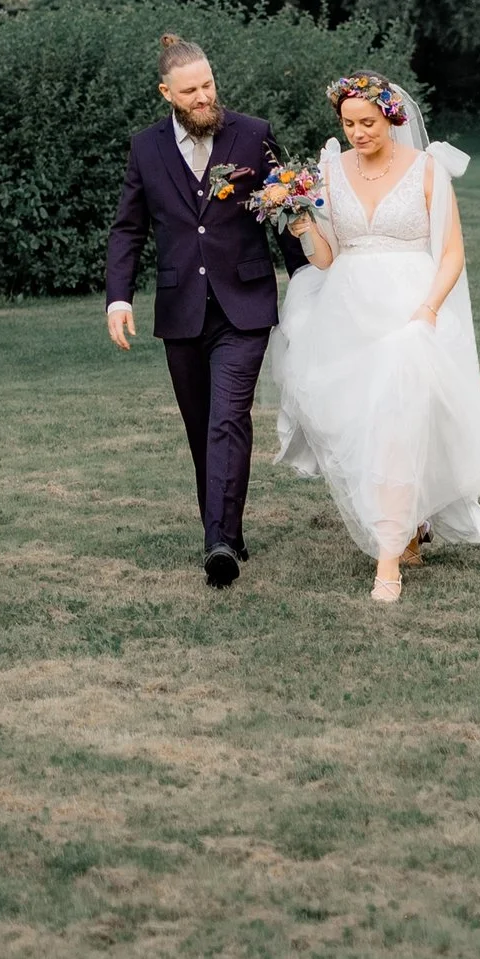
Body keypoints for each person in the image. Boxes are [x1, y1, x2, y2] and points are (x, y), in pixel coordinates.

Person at [271, 70, 480, 603]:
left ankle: (387, 560)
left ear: (391, 117)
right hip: (347, 315)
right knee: (364, 427)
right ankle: (406, 527)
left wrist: (428, 310)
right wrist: (304, 228)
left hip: (409, 313)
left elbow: (452, 252)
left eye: (368, 123)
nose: (358, 133)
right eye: (348, 124)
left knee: (398, 426)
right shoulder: (329, 172)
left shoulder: (427, 168)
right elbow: (326, 258)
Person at [104, 33, 286, 588]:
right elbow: (128, 229)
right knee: (201, 424)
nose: (204, 97)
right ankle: (227, 528)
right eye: (190, 91)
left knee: (228, 417)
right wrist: (118, 296)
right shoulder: (146, 148)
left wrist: (314, 281)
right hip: (181, 308)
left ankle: (219, 544)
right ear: (167, 93)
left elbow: (287, 209)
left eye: (208, 85)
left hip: (244, 305)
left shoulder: (253, 135)